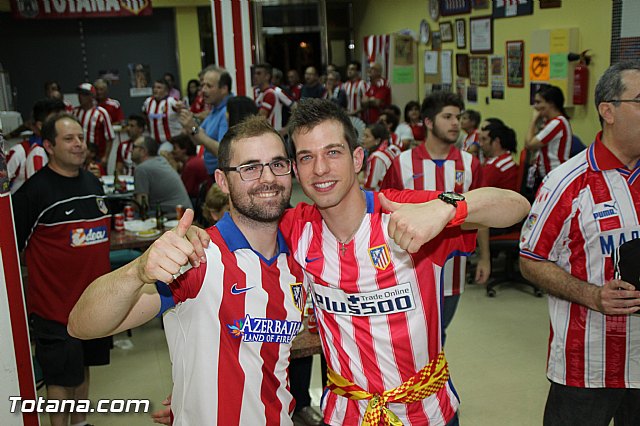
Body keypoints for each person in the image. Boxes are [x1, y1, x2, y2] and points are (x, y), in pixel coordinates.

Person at [282, 98, 530, 425]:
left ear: (357, 158)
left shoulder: (402, 212)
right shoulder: (295, 227)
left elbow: (516, 206)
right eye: (306, 157)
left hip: (426, 413)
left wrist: (445, 209)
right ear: (295, 169)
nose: (320, 169)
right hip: (346, 415)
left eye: (332, 152)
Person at [69, 116, 305, 425]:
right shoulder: (198, 258)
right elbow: (81, 325)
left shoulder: (299, 258)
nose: (268, 178)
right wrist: (138, 270)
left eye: (277, 164)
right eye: (250, 168)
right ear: (222, 181)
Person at [520, 61, 640, 426]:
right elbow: (530, 260)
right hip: (586, 367)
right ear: (609, 111)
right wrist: (593, 296)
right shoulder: (567, 182)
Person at [12, 113, 113, 426]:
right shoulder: (33, 193)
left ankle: (80, 424)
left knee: (82, 366)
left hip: (95, 304)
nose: (79, 144)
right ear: (49, 146)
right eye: (69, 139)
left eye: (81, 137)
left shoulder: (93, 183)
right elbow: (12, 247)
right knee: (59, 379)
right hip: (54, 310)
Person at [381, 92, 491, 340]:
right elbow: (384, 213)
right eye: (447, 117)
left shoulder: (470, 164)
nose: (455, 123)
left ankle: (433, 378)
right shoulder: (403, 163)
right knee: (412, 336)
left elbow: (482, 216)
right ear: (428, 122)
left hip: (453, 268)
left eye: (458, 117)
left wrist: (484, 258)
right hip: (409, 267)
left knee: (438, 334)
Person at [179, 65, 233, 176]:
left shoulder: (228, 111)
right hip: (212, 174)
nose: (203, 90)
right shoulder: (215, 109)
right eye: (202, 85)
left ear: (224, 89)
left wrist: (196, 130)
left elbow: (224, 152)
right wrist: (190, 126)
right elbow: (198, 139)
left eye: (209, 86)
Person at [524, 85, 572, 185]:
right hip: (545, 175)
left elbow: (530, 144)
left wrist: (533, 120)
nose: (535, 107)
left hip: (554, 176)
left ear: (551, 103)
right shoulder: (549, 122)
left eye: (538, 102)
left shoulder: (558, 123)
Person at [132, 135, 192, 214]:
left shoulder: (142, 169)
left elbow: (142, 205)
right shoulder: (161, 160)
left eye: (134, 147)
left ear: (143, 151)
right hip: (185, 211)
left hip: (173, 215)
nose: (131, 150)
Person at [73, 82, 115, 164]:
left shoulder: (101, 113)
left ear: (92, 96)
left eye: (84, 94)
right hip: (78, 154)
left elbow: (109, 137)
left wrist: (105, 157)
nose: (81, 97)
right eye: (79, 94)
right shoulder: (74, 112)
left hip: (96, 156)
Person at [142, 79, 182, 153]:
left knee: (161, 153)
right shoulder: (148, 102)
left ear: (166, 91)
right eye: (154, 87)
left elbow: (183, 112)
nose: (155, 90)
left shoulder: (171, 101)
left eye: (159, 88)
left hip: (171, 141)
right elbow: (144, 115)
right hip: (153, 141)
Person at [253, 63, 294, 133]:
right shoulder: (257, 92)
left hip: (274, 134)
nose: (255, 76)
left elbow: (296, 108)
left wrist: (287, 129)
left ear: (267, 76)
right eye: (255, 73)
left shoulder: (276, 92)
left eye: (259, 73)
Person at [171, 133, 211, 202]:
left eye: (175, 148)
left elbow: (185, 191)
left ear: (184, 150)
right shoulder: (193, 162)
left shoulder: (190, 166)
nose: (172, 151)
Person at [361, 122, 401, 191]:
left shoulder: (376, 157)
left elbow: (369, 187)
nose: (363, 139)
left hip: (386, 195)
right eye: (363, 135)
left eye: (367, 136)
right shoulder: (390, 149)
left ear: (377, 140)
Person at [478, 123, 518, 191]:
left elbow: (478, 189)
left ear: (496, 141)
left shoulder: (498, 166)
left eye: (484, 139)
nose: (480, 144)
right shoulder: (499, 160)